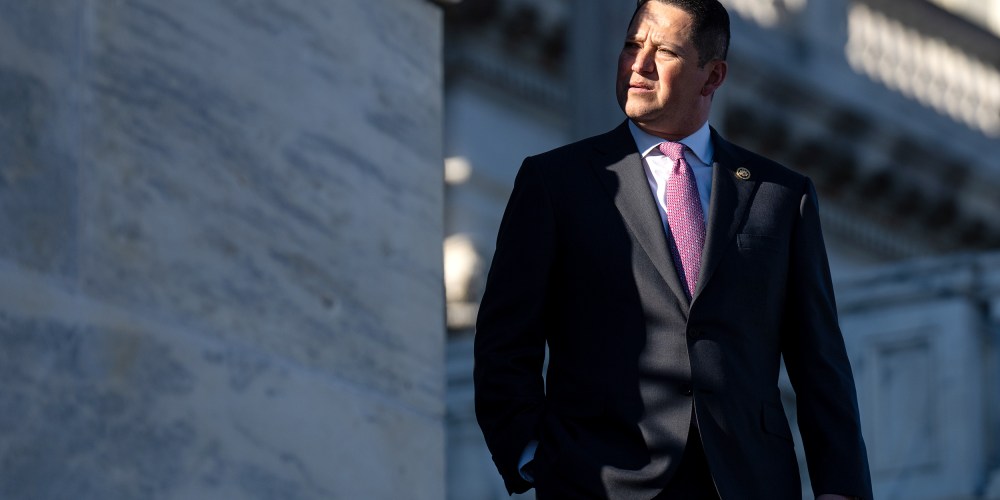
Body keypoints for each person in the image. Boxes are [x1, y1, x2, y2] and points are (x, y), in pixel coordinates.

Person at [473, 0, 873, 498]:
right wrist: (536, 459)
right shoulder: (556, 183)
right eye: (630, 45)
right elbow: (505, 344)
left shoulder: (780, 196)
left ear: (712, 77)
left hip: (748, 483)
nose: (637, 66)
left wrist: (842, 491)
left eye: (662, 51)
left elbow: (821, 368)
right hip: (601, 481)